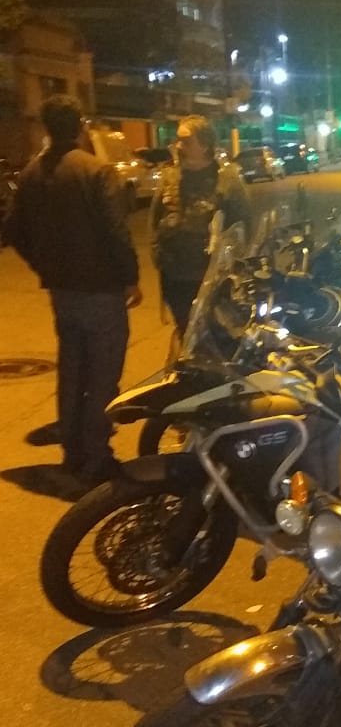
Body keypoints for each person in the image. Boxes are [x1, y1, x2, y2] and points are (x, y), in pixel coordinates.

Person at [6, 95, 142, 483]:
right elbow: (116, 233)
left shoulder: (31, 174)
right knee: (102, 375)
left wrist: (43, 265)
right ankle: (96, 456)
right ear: (80, 125)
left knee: (72, 371)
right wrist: (130, 277)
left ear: (47, 128)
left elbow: (13, 230)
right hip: (101, 291)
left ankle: (72, 451)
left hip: (63, 292)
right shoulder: (96, 171)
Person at [150, 115, 250, 335]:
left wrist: (232, 265)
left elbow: (243, 227)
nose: (179, 146)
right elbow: (155, 220)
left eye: (186, 141)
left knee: (213, 335)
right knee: (185, 332)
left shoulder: (227, 180)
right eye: (177, 140)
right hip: (175, 277)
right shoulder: (170, 176)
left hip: (211, 279)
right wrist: (158, 255)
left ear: (205, 145)